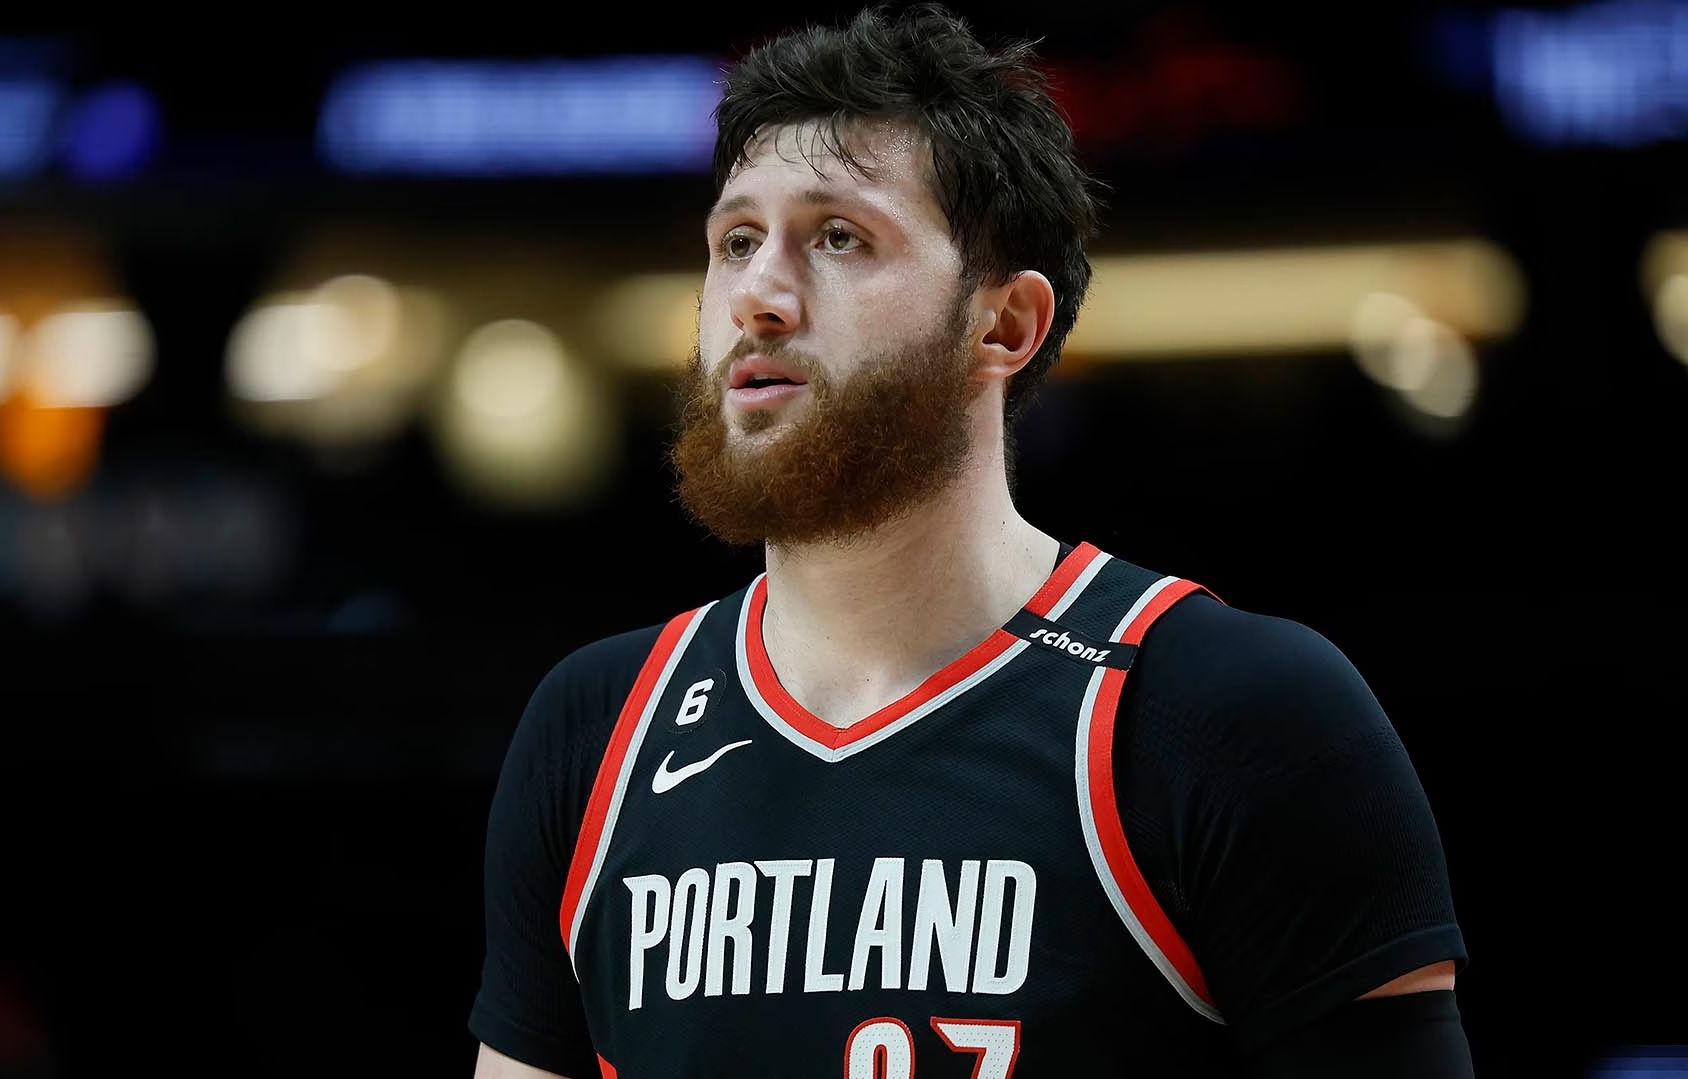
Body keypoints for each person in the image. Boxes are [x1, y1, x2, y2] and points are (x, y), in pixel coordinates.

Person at [470, 5, 1471, 1076]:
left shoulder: (1234, 710)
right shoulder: (597, 726)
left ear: (1003, 325)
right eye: (737, 241)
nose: (758, 294)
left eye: (839, 236)